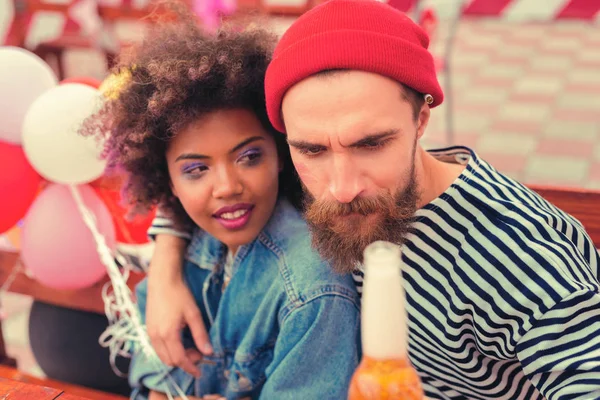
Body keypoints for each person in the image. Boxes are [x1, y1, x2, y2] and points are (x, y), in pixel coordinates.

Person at [145, 0, 600, 399]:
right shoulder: (312, 184)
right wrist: (164, 268)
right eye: (312, 150)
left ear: (421, 118)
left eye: (370, 144)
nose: (341, 188)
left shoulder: (521, 255)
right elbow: (213, 186)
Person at [82, 10, 361, 400]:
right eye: (196, 170)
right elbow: (154, 379)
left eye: (249, 157)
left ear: (281, 154)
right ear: (168, 181)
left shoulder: (315, 288)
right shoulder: (185, 242)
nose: (227, 187)